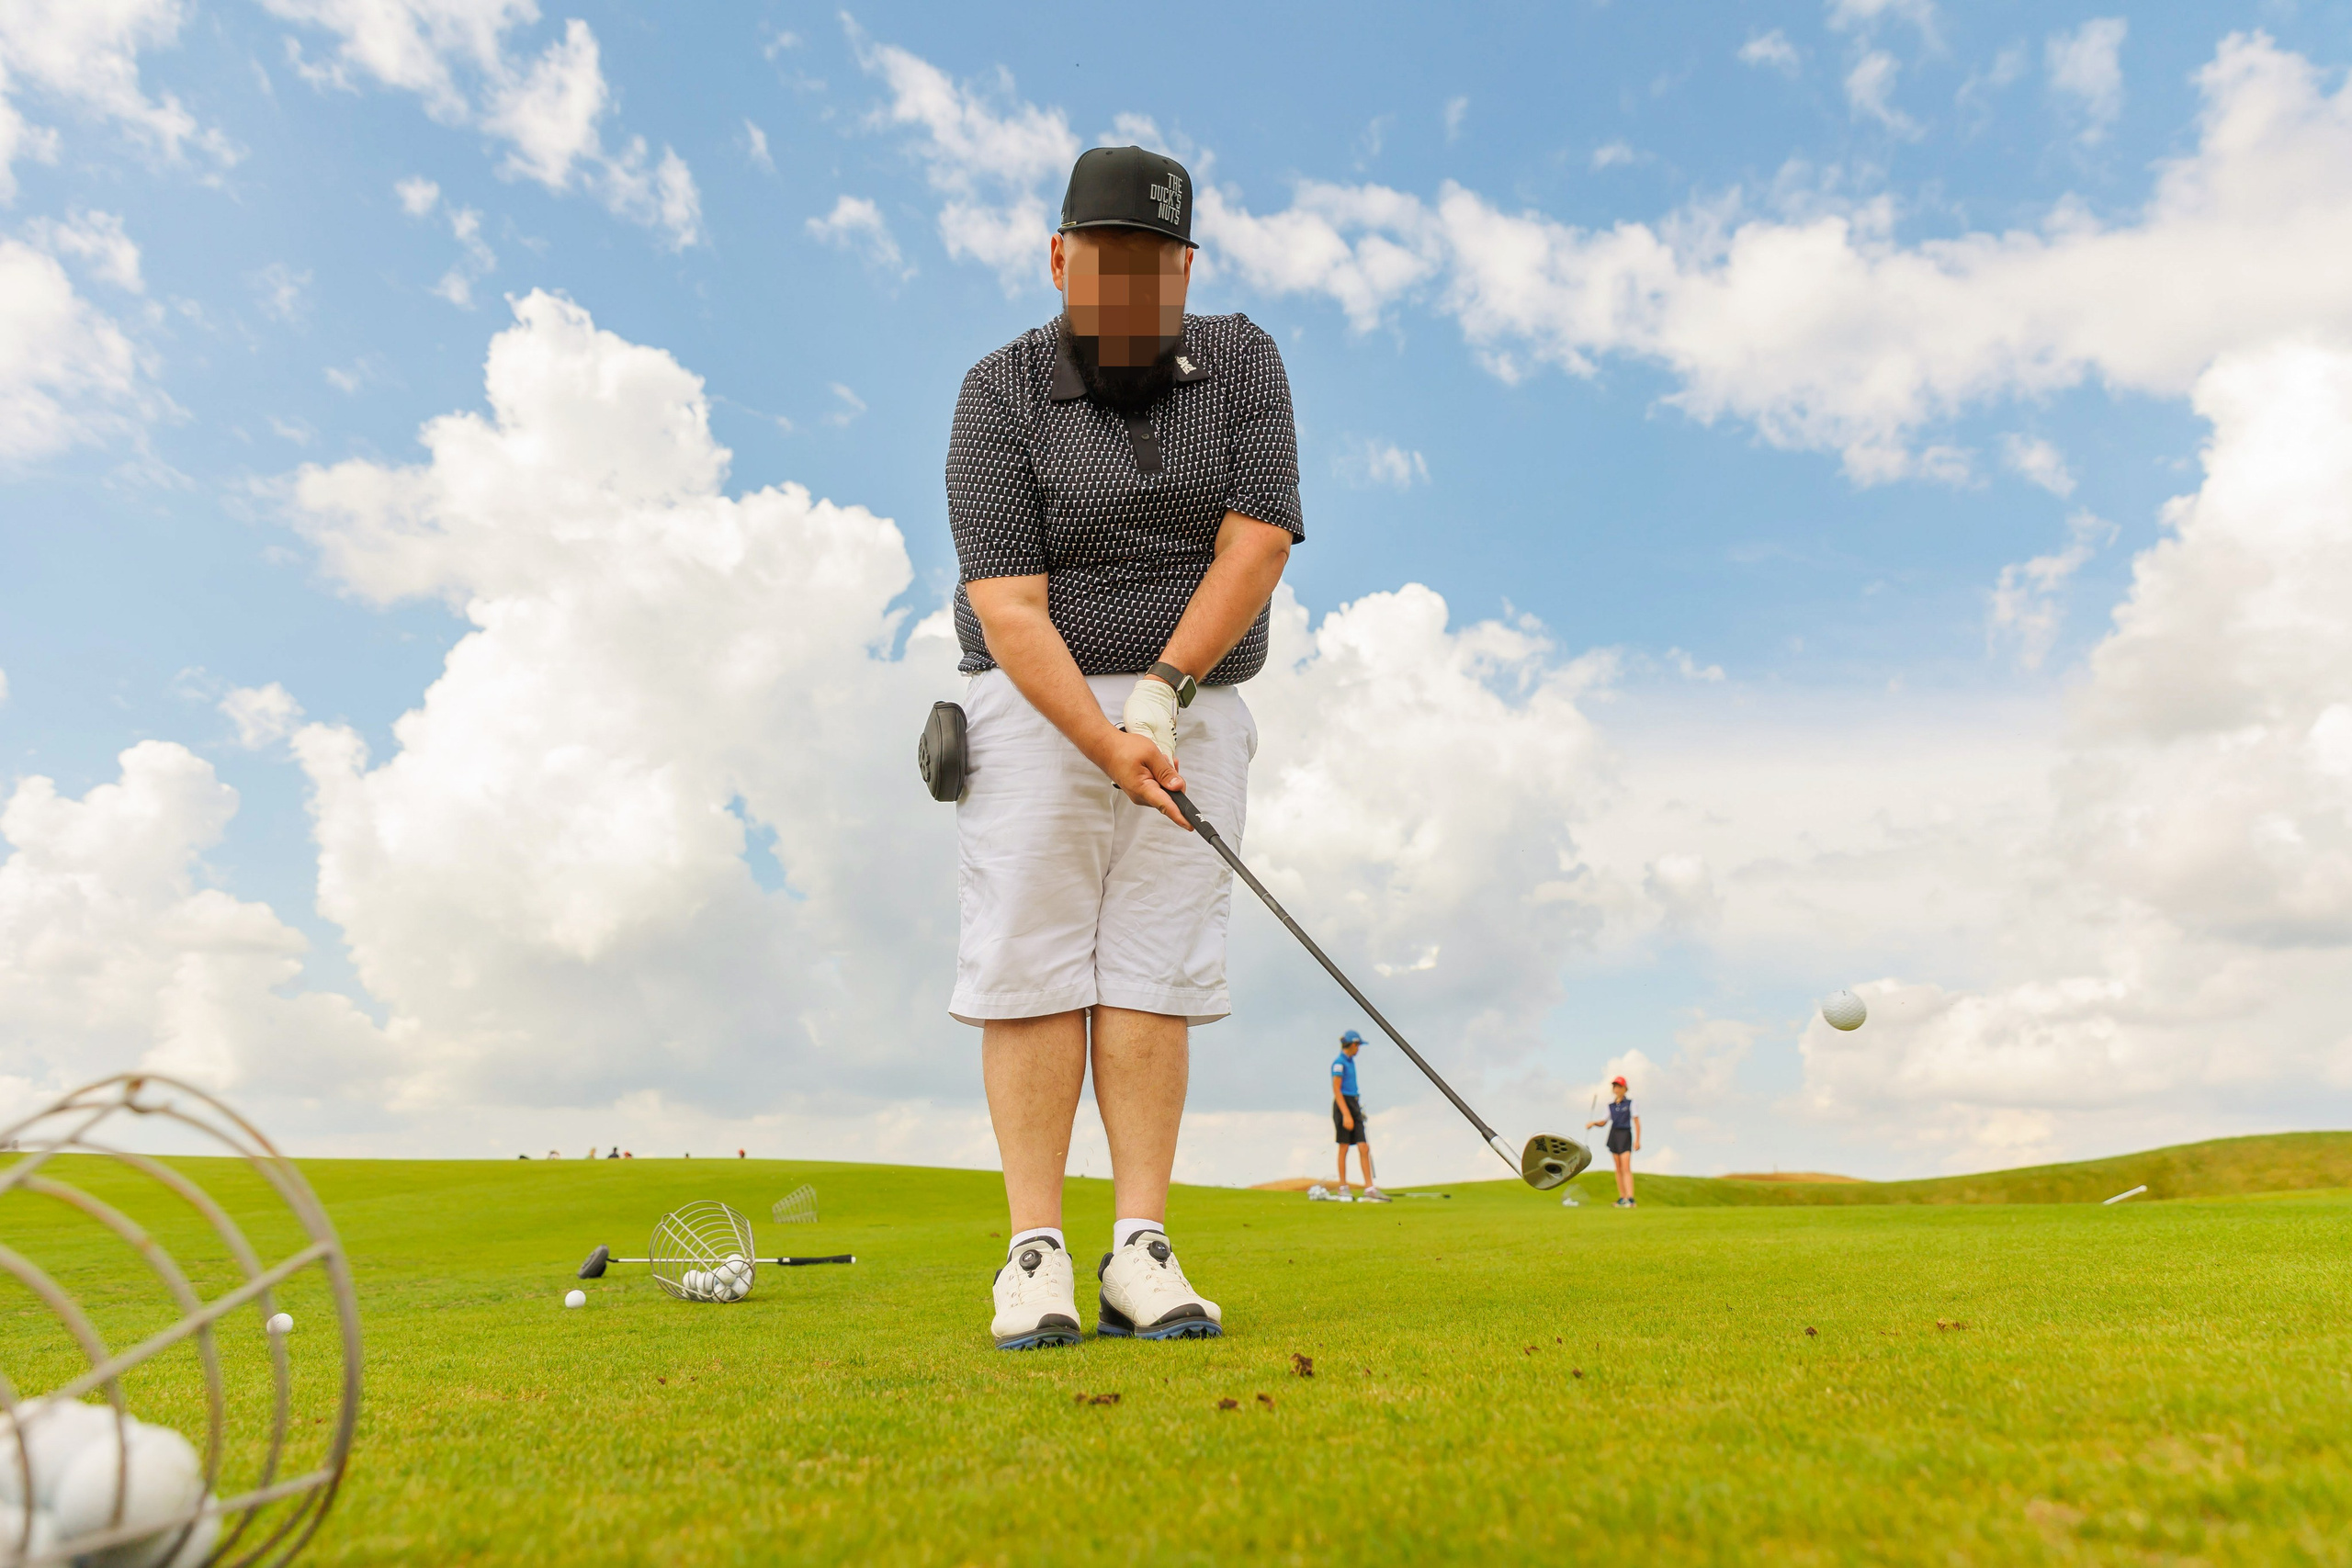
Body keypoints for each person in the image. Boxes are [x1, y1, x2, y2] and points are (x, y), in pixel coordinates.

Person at [948, 145, 1303, 1351]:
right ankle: (1035, 1252)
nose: (1130, 284)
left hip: (1192, 705)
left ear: (1185, 268)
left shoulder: (1243, 359)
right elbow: (1007, 603)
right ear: (1061, 258)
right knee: (1032, 962)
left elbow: (1257, 542)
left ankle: (1139, 1248)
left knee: (1156, 966)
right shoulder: (999, 390)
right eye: (1106, 259)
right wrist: (1106, 737)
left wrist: (1161, 694)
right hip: (1034, 710)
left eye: (1154, 263)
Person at [1329, 1031, 1388, 1201]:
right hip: (1343, 1105)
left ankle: (1369, 1188)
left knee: (1364, 1147)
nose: (1359, 1049)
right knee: (1344, 1146)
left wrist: (1355, 1110)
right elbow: (1336, 1090)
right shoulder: (1339, 1063)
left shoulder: (1351, 1062)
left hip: (1354, 1103)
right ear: (1353, 1044)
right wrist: (1346, 1115)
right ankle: (1343, 1187)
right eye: (1358, 1046)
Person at [1586, 1077, 1640, 1206]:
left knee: (1626, 1167)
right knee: (1618, 1168)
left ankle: (1630, 1198)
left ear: (1625, 1088)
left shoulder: (1630, 1103)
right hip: (1614, 1135)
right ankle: (1622, 1197)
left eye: (1619, 1086)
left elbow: (1636, 1122)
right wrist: (1594, 1123)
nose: (1617, 1089)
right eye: (1615, 1086)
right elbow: (1603, 1122)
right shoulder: (1610, 1106)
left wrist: (1637, 1140)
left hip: (1625, 1134)